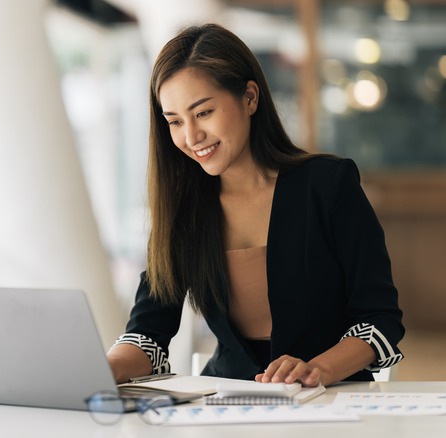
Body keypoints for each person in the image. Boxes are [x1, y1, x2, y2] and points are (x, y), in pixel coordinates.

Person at [106, 23, 404, 387]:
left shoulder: (328, 185)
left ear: (249, 97)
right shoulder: (184, 210)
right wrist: (102, 368)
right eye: (174, 121)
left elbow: (379, 319)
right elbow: (147, 334)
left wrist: (319, 369)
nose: (190, 137)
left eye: (203, 113)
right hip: (226, 401)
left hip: (330, 398)